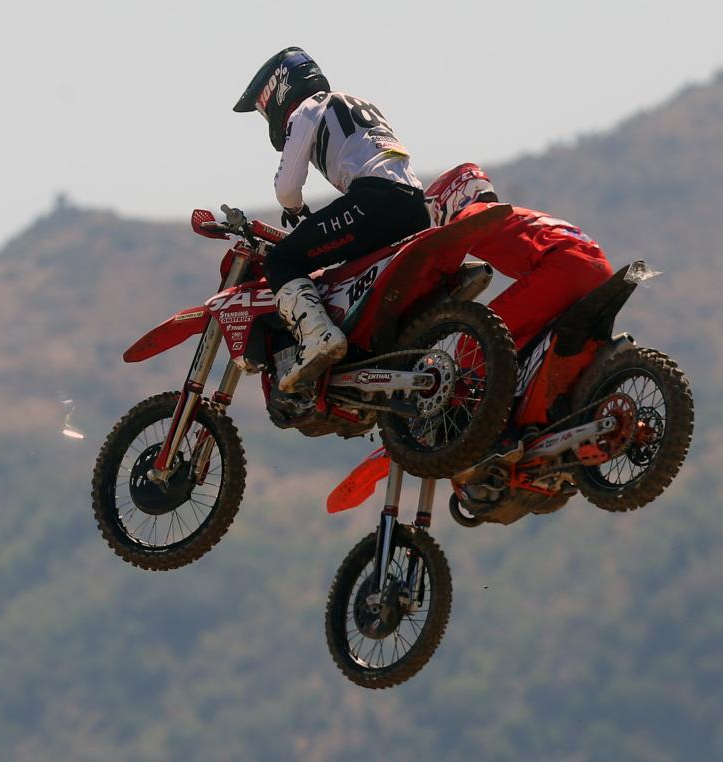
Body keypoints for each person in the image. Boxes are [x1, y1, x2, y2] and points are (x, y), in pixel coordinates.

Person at [233, 47, 429, 392]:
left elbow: (287, 188)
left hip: (375, 200)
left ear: (279, 90)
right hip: (415, 204)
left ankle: (318, 337)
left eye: (265, 109)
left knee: (281, 261)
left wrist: (295, 210)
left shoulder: (307, 109)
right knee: (352, 277)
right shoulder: (357, 101)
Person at [425, 163, 614, 480]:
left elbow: (438, 258)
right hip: (597, 267)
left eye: (436, 208)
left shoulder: (472, 215)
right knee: (523, 349)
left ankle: (500, 435)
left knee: (474, 341)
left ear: (453, 196)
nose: (437, 216)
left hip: (563, 266)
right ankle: (549, 426)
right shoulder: (514, 214)